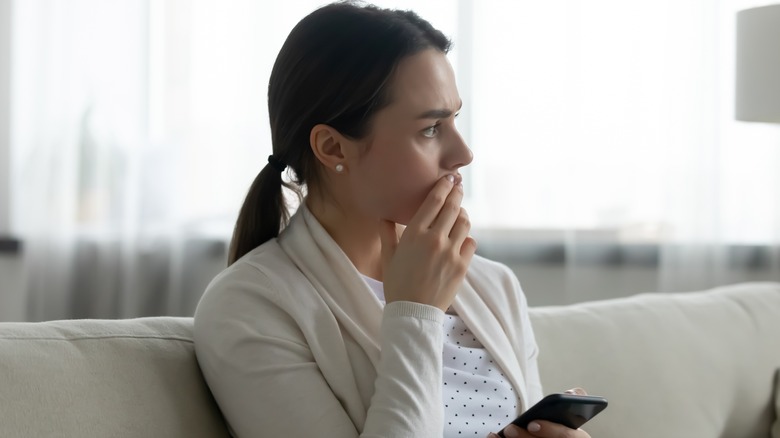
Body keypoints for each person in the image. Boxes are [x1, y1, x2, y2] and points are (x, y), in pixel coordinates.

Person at [193, 2, 592, 437]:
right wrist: (415, 312)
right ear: (332, 148)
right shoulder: (248, 308)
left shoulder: (494, 287)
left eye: (455, 119)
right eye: (430, 129)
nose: (464, 154)